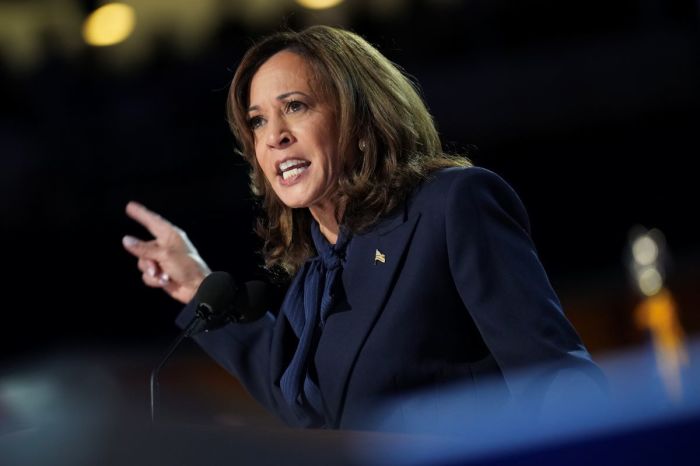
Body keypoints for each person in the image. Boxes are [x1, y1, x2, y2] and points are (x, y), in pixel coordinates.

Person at [122, 25, 604, 430]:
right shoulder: (315, 275)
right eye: (258, 121)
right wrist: (194, 285)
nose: (274, 137)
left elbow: (553, 376)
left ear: (357, 116)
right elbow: (306, 401)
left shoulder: (451, 205)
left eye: (295, 106)